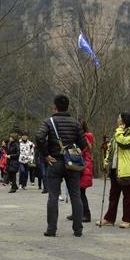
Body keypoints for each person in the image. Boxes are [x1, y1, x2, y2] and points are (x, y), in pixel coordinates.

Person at [36, 94, 87, 237]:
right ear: (68, 106)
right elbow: (84, 144)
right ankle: (78, 229)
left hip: (55, 161)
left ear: (55, 106)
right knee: (76, 196)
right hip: (72, 163)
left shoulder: (48, 121)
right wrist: (74, 153)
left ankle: (51, 229)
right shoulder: (75, 123)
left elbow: (39, 137)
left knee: (53, 196)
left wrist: (46, 155)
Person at [97, 111, 130, 229]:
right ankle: (109, 218)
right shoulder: (117, 134)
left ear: (124, 121)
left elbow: (124, 143)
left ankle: (127, 219)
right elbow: (110, 150)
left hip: (127, 170)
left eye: (119, 118)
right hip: (115, 168)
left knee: (127, 196)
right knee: (113, 194)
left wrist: (119, 131)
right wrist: (106, 163)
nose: (117, 119)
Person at [68, 117, 94, 222]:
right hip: (81, 165)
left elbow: (79, 151)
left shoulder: (85, 137)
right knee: (76, 191)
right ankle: (76, 213)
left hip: (83, 166)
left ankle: (86, 214)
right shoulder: (82, 137)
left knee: (80, 192)